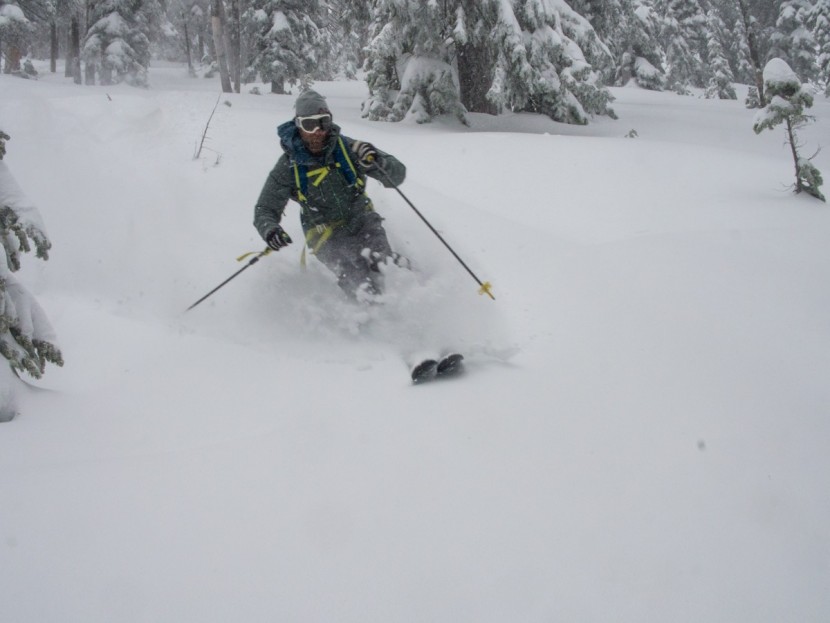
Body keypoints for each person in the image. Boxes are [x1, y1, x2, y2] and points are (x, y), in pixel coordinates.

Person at [254, 89, 408, 299]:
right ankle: (368, 320)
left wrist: (378, 162)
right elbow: (265, 209)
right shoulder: (288, 166)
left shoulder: (348, 149)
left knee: (384, 264)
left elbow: (398, 175)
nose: (317, 131)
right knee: (357, 280)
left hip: (362, 220)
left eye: (323, 122)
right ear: (298, 125)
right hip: (324, 235)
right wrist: (271, 230)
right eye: (309, 124)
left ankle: (410, 290)